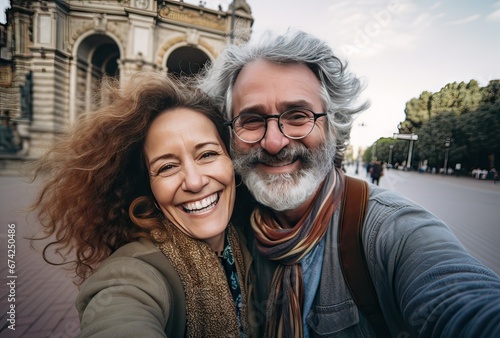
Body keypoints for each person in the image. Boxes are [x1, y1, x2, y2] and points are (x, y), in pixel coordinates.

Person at [199, 29, 500, 337]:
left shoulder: (390, 231)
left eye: (298, 116)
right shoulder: (222, 226)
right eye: (251, 120)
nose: (275, 142)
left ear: (333, 126)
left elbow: (462, 301)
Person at [29, 71, 256, 337]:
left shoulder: (252, 239)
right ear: (148, 186)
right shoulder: (132, 275)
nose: (194, 182)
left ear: (232, 161)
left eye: (207, 154)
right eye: (167, 167)